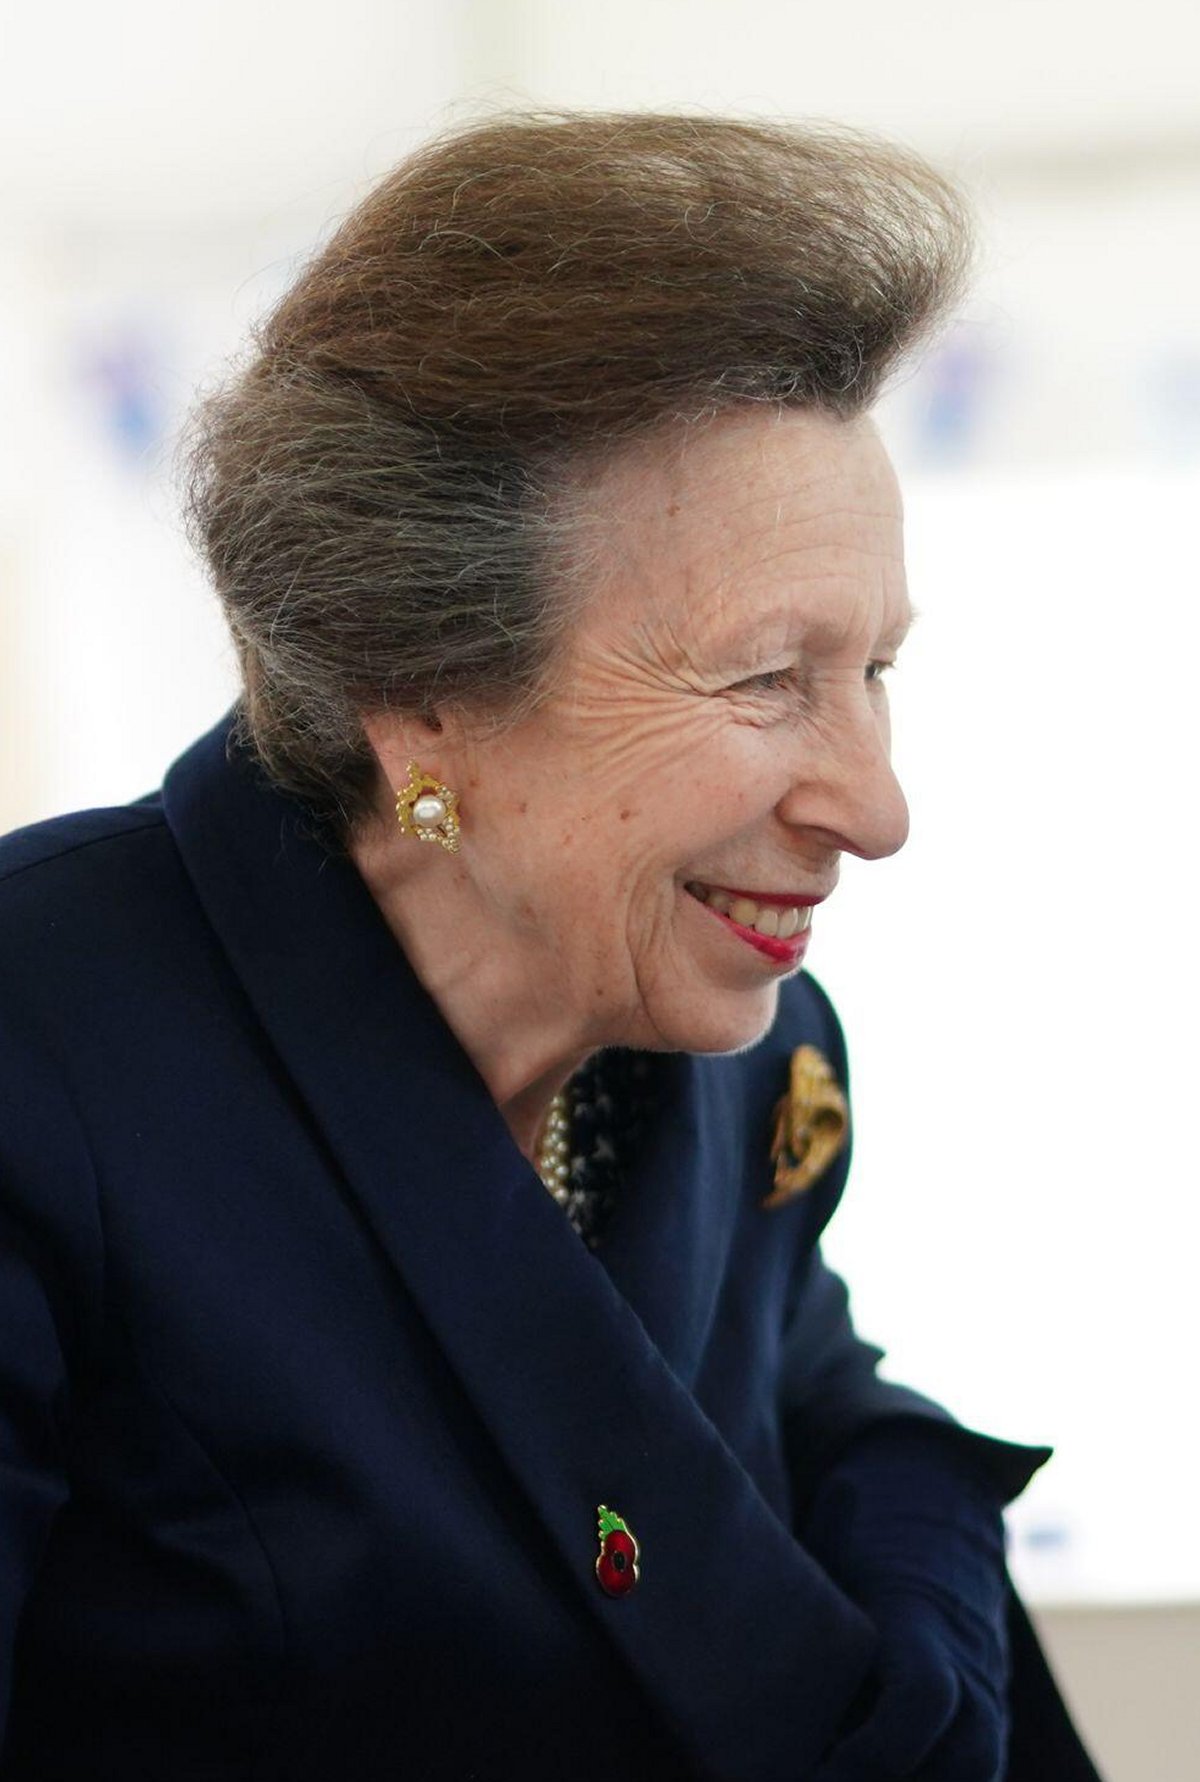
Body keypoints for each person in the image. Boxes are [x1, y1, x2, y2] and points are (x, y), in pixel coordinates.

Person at [0, 113, 1103, 1780]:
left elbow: (810, 1393)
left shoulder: (765, 1049)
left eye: (876, 666)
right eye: (762, 678)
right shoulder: (36, 1039)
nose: (878, 809)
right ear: (421, 693)